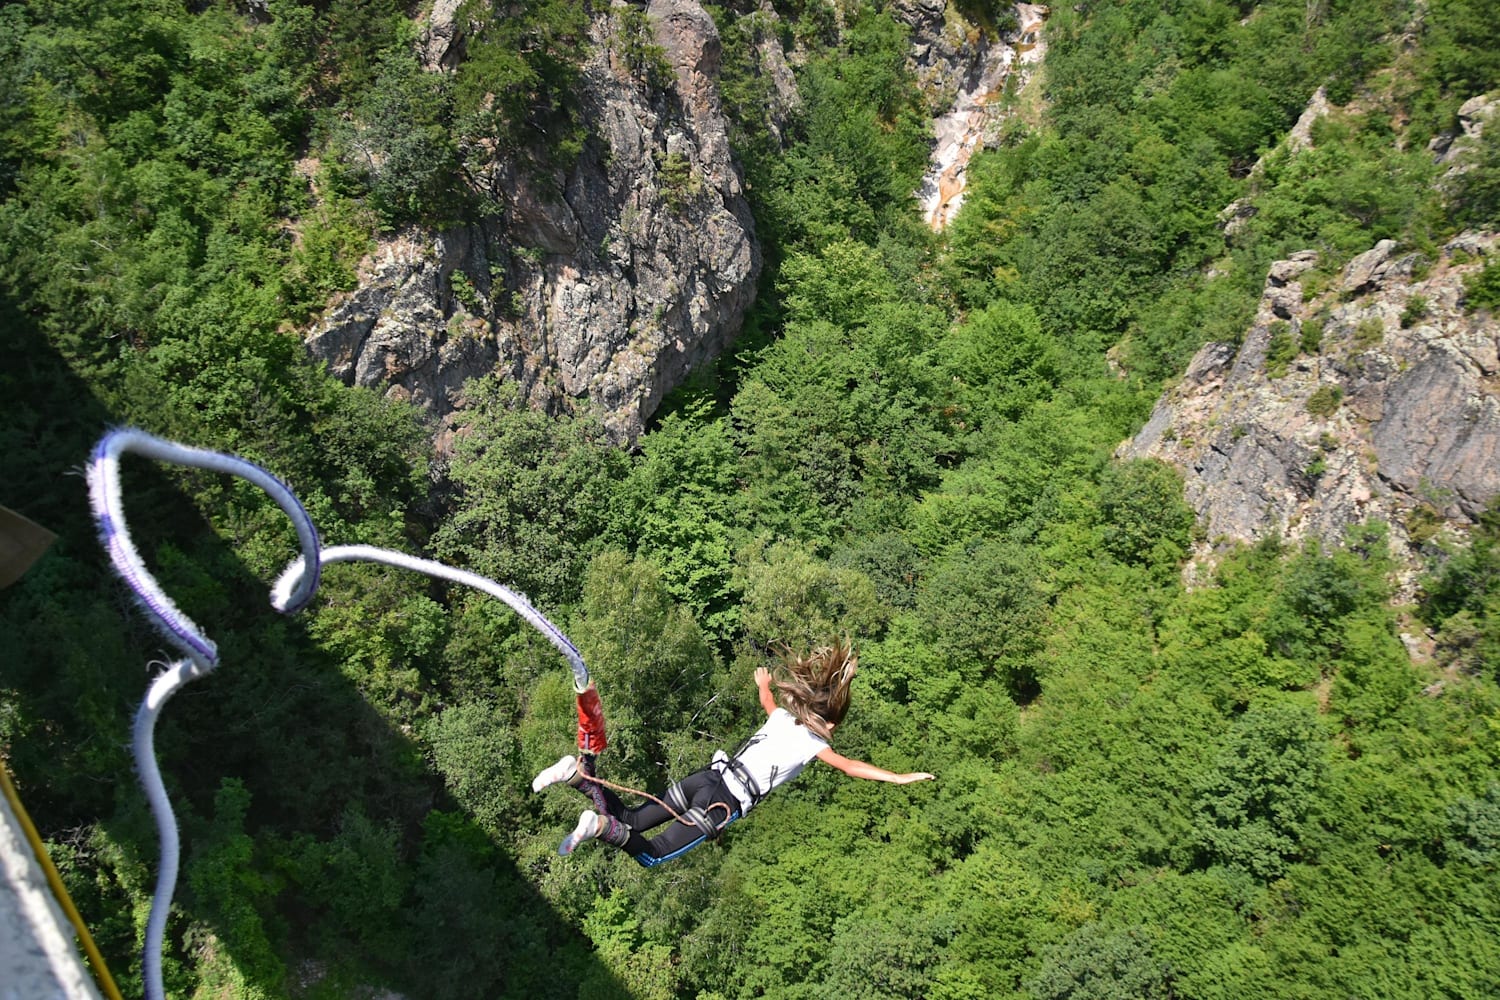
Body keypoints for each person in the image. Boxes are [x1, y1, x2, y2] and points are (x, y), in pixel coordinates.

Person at [531, 638, 935, 867]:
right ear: (829, 724)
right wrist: (898, 777)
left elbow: (767, 700)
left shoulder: (783, 718)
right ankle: (598, 827)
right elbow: (849, 767)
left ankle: (576, 777)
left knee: (631, 818)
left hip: (708, 778)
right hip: (723, 802)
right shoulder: (815, 743)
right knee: (651, 855)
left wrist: (764, 681)